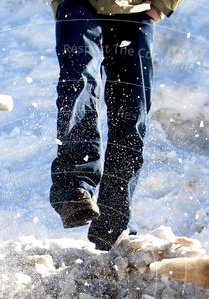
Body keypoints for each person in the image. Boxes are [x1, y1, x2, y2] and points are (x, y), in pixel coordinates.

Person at [49, 0, 181, 250]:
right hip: (79, 5)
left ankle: (112, 225)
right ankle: (75, 190)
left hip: (137, 10)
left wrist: (161, 6)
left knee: (132, 114)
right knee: (79, 84)